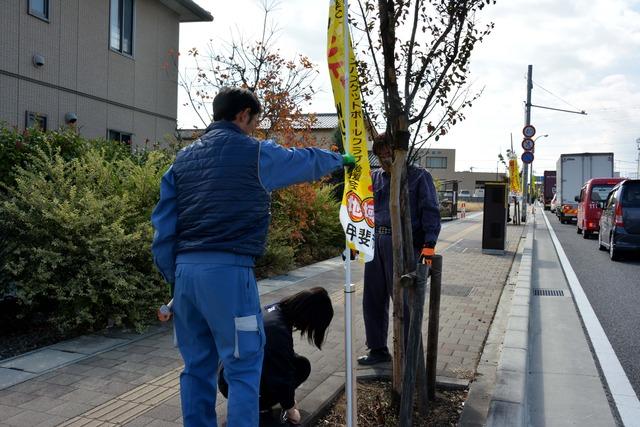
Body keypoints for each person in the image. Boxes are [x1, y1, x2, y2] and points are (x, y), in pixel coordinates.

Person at [151, 87, 355, 427]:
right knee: (244, 365)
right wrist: (339, 161)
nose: (255, 129)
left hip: (185, 275)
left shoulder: (181, 161)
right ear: (243, 114)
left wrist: (177, 278)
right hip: (230, 275)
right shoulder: (255, 153)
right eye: (255, 121)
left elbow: (163, 227)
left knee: (196, 367)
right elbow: (300, 161)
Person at [357, 133, 441, 365]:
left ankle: (408, 351)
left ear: (400, 152)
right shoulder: (375, 177)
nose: (385, 158)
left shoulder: (418, 177)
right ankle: (378, 349)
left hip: (405, 243)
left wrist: (429, 246)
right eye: (380, 154)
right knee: (372, 299)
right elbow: (363, 210)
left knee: (404, 300)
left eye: (388, 153)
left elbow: (431, 211)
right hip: (375, 243)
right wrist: (355, 243)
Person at [218, 287, 334, 425]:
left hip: (230, 373)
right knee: (296, 369)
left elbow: (282, 360)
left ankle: (258, 402)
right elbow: (282, 377)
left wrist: (288, 399)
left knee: (300, 364)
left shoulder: (275, 310)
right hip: (237, 385)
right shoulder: (278, 331)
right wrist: (291, 409)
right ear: (308, 316)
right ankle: (258, 407)